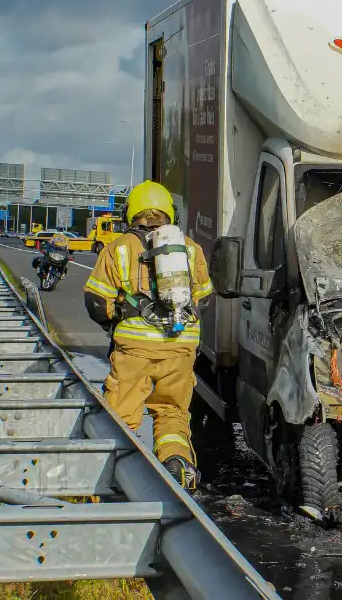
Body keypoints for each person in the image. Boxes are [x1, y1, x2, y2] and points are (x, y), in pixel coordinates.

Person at [82, 180, 213, 491]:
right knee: (171, 413)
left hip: (134, 351)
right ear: (170, 212)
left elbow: (96, 301)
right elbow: (205, 298)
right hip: (180, 348)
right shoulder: (191, 249)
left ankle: (110, 481)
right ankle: (177, 467)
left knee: (120, 417)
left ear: (132, 213)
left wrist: (116, 317)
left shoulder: (119, 248)